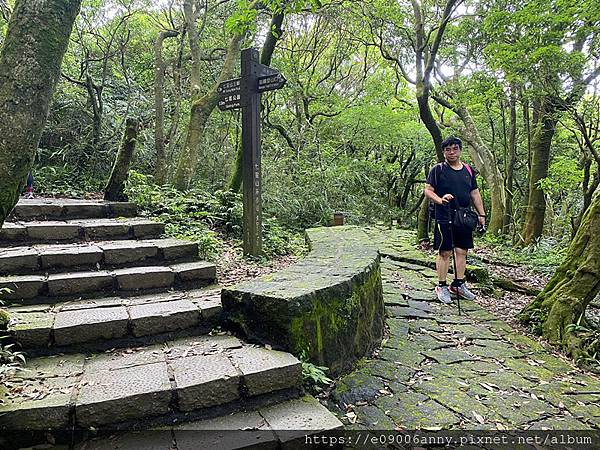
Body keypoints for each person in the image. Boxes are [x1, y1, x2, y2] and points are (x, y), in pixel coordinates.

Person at [424, 137, 486, 304]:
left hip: (464, 216)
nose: (452, 152)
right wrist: (440, 199)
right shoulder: (438, 170)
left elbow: (475, 193)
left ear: (460, 150)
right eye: (448, 150)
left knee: (462, 251)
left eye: (455, 149)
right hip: (444, 215)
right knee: (445, 251)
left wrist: (481, 215)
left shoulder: (468, 170)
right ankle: (441, 285)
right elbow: (428, 190)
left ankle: (458, 284)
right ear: (444, 152)